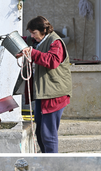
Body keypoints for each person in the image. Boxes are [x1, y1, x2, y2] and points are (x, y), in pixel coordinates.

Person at [14, 16, 72, 153]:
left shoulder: (56, 42)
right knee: (40, 133)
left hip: (55, 94)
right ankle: (46, 157)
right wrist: (13, 43)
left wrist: (32, 53)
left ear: (43, 30)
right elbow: (23, 41)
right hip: (43, 93)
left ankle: (52, 164)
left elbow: (52, 61)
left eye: (34, 33)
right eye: (31, 33)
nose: (32, 36)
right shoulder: (37, 40)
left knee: (48, 134)